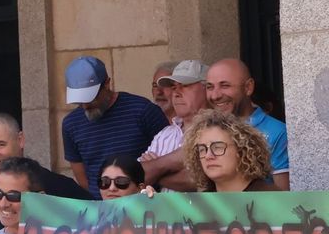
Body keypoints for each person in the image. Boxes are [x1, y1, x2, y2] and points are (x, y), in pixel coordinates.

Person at [61, 56, 168, 197]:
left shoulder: (143, 111)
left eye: (91, 97)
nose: (85, 105)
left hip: (143, 206)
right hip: (100, 211)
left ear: (107, 84)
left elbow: (167, 163)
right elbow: (84, 180)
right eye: (79, 100)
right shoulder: (71, 124)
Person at [206, 57, 290, 189]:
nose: (215, 95)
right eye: (209, 87)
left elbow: (283, 198)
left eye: (225, 85)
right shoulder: (206, 131)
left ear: (248, 87)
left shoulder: (277, 131)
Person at [141, 61, 209, 191]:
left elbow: (202, 180)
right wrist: (172, 162)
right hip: (164, 211)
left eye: (185, 85)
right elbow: (138, 175)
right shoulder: (165, 134)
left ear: (207, 88)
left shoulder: (219, 130)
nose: (176, 93)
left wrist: (157, 170)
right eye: (173, 87)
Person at [182, 109, 277, 192]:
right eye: (202, 149)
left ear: (241, 150)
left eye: (218, 147)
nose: (208, 156)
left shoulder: (270, 199)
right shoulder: (200, 204)